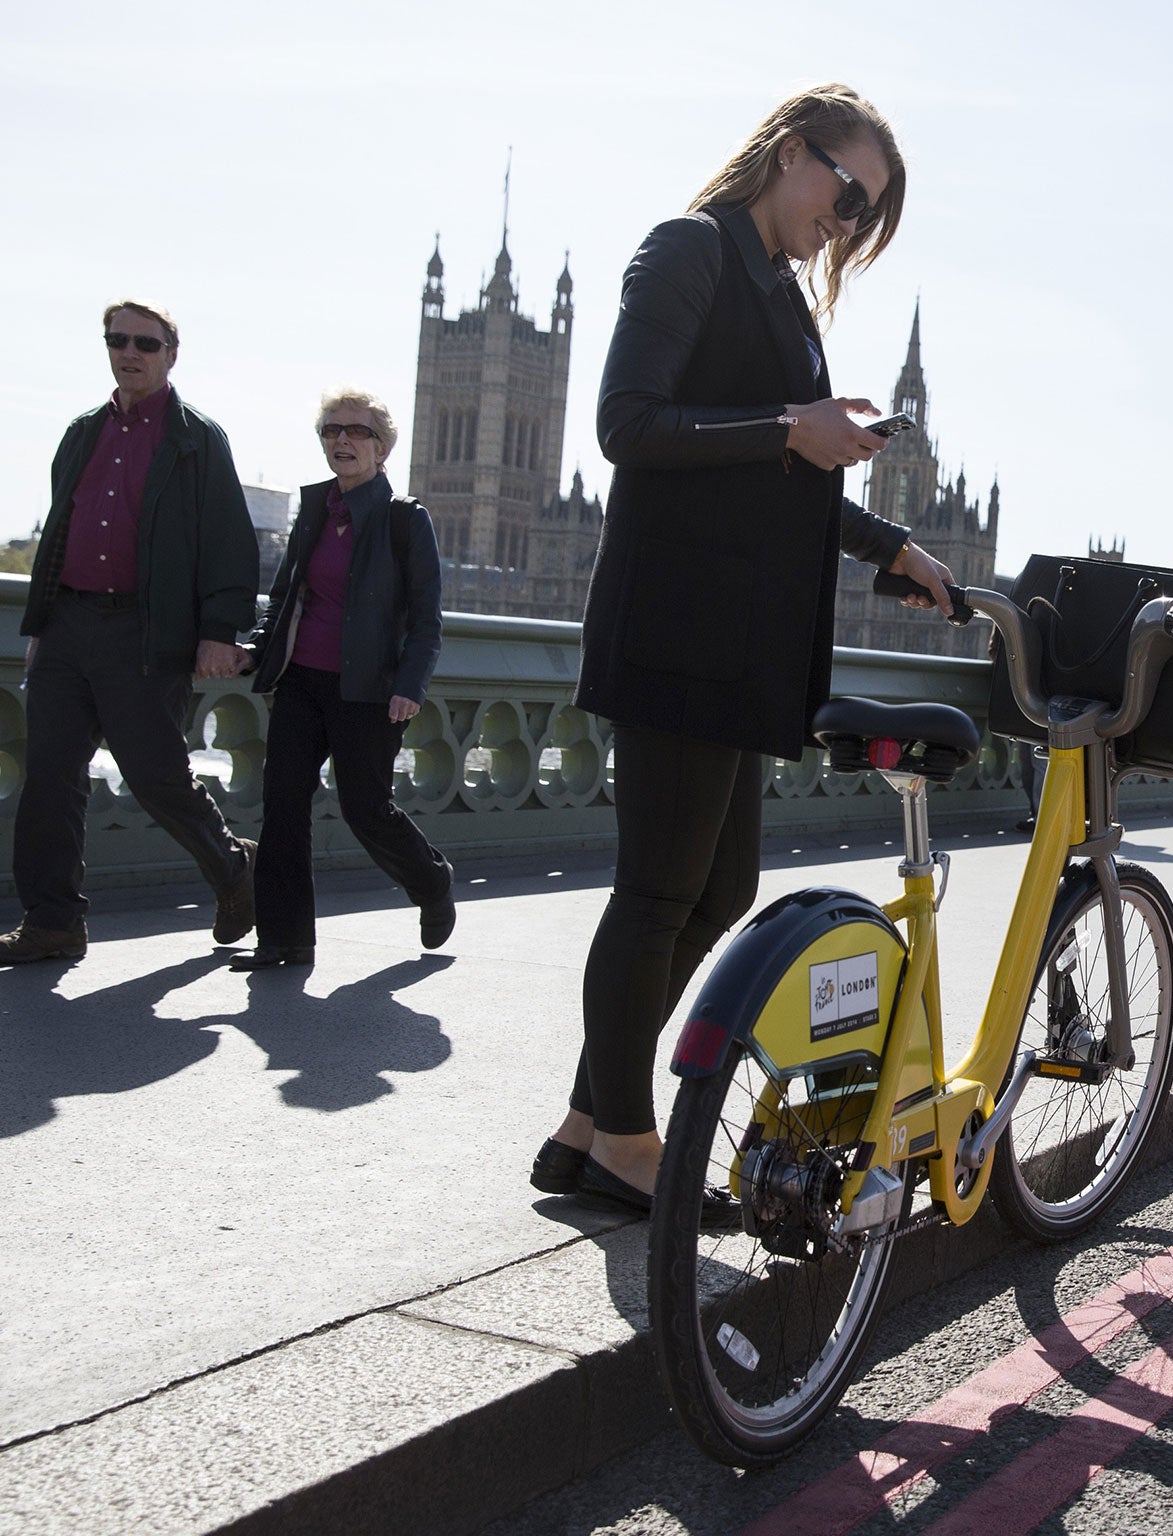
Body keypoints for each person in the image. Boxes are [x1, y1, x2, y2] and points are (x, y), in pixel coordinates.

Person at [534, 84, 953, 1215]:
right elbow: (628, 424)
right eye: (848, 192)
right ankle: (624, 1132)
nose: (849, 224)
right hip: (676, 625)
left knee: (719, 892)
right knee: (655, 895)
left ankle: (586, 1115)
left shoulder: (773, 290)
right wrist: (789, 424)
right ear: (787, 151)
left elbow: (782, 473)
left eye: (869, 214)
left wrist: (889, 545)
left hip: (738, 645)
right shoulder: (689, 248)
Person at [2, 302, 258, 964]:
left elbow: (228, 544)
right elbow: (60, 532)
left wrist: (219, 631)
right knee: (50, 776)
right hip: (67, 626)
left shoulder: (197, 439)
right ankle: (53, 920)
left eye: (146, 341)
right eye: (118, 340)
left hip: (144, 632)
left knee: (155, 776)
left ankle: (234, 868)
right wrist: (41, 625)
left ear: (172, 353)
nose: (130, 351)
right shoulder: (81, 433)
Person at [229, 389, 455, 970]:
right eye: (331, 431)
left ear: (382, 447)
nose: (342, 441)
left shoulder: (406, 519)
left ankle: (430, 881)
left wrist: (411, 682)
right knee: (282, 806)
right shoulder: (314, 509)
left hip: (370, 689)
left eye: (356, 432)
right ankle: (284, 940)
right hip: (302, 680)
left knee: (365, 808)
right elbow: (281, 600)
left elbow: (427, 617)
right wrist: (256, 649)